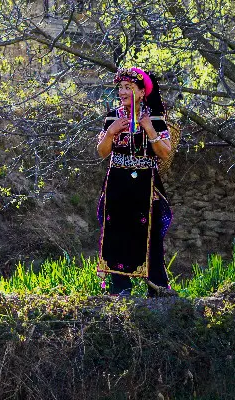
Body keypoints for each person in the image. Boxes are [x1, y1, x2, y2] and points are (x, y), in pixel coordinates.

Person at [96, 67, 173, 297]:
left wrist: (149, 128)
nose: (122, 92)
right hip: (117, 183)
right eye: (120, 87)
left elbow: (165, 153)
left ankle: (156, 285)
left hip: (146, 185)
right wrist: (110, 133)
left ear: (141, 92)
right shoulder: (112, 117)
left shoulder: (156, 119)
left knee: (152, 228)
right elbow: (102, 153)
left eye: (128, 88)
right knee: (116, 229)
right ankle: (120, 286)